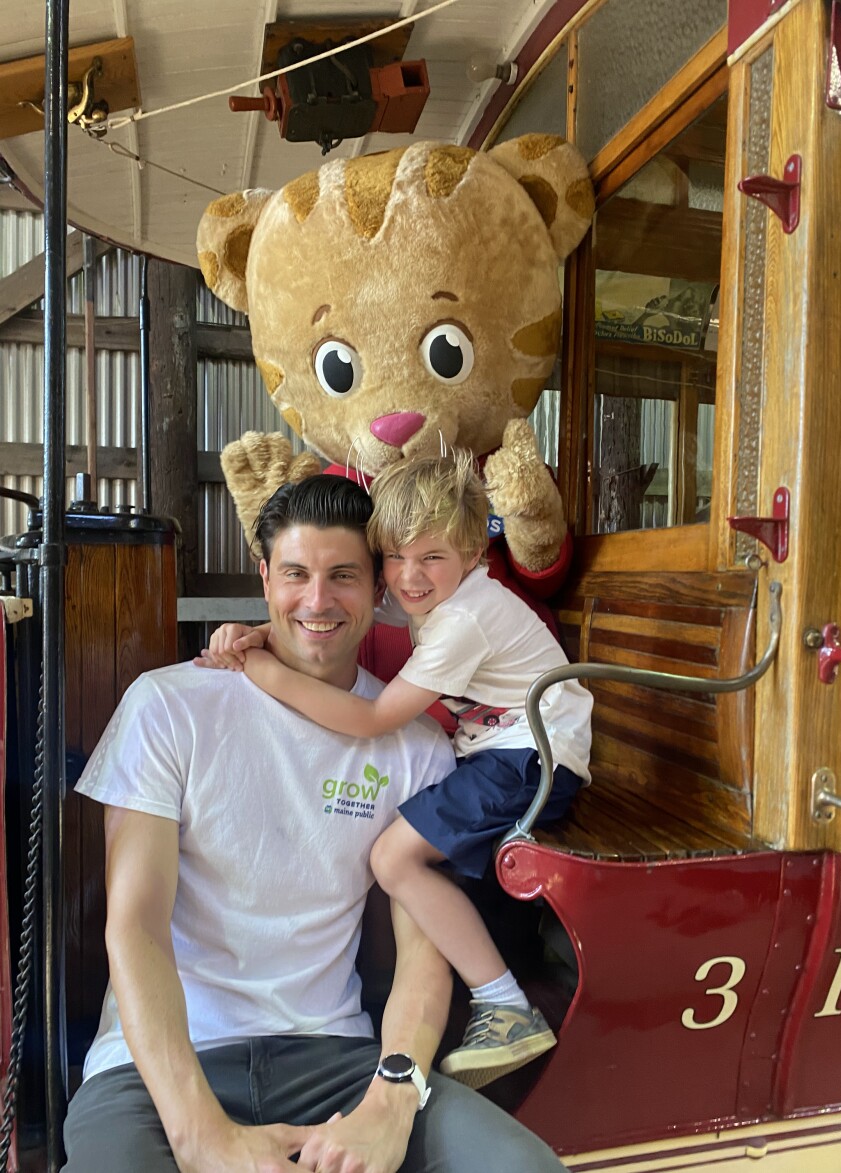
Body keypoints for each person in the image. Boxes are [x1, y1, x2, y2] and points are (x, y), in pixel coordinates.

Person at [62, 475, 565, 1173]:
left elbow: (423, 954)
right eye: (296, 573)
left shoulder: (416, 745)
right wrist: (200, 1133)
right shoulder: (169, 706)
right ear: (265, 576)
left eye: (344, 576)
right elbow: (135, 922)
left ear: (380, 588)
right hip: (158, 1069)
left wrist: (391, 1100)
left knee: (522, 1166)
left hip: (337, 1056)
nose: (319, 600)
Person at [203, 453, 593, 1091]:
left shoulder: (464, 619)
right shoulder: (442, 599)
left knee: (395, 859)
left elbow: (373, 719)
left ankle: (504, 1005)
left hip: (530, 759)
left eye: (430, 557)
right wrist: (259, 632)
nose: (409, 577)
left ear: (472, 553)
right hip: (511, 749)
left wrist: (265, 671)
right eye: (394, 557)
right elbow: (329, 617)